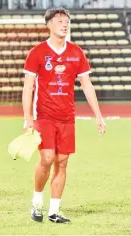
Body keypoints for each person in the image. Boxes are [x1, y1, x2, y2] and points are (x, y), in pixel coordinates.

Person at [22, 8, 106, 223]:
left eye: (67, 21)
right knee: (47, 158)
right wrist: (27, 118)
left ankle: (54, 211)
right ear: (49, 24)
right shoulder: (37, 52)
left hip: (67, 117)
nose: (65, 24)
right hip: (44, 116)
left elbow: (87, 85)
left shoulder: (76, 52)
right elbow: (28, 87)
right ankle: (37, 201)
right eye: (60, 21)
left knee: (63, 161)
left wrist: (98, 115)